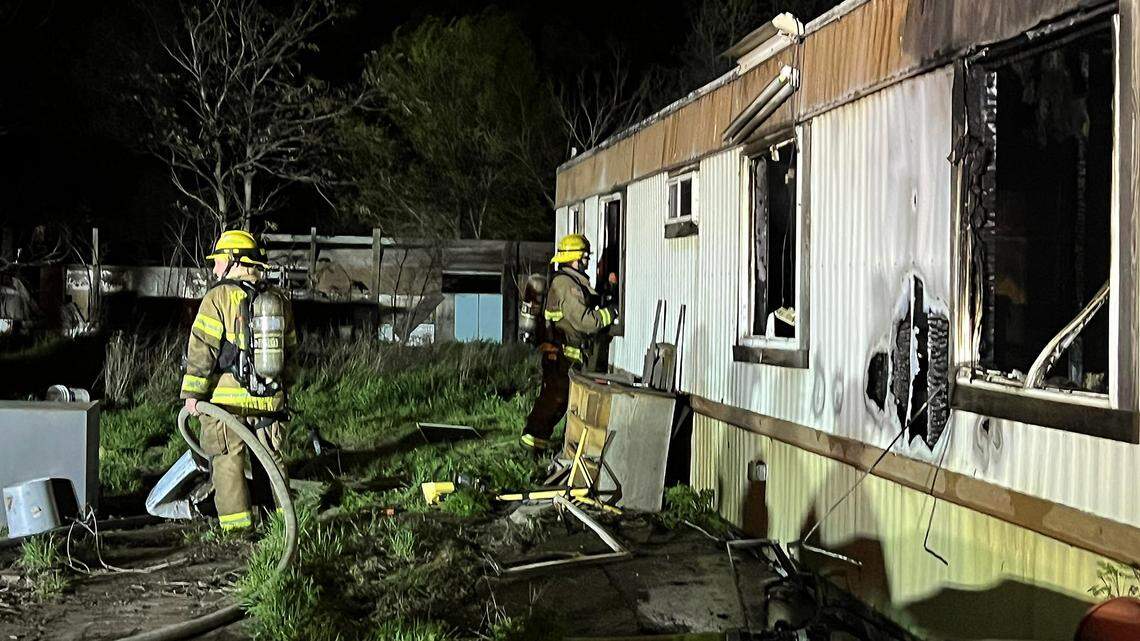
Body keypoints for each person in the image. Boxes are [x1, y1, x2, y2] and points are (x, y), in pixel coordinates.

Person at [180, 230, 297, 532]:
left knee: (227, 462)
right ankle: (281, 527)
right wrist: (281, 389)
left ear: (233, 260)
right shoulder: (278, 300)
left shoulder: (218, 297)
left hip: (226, 403)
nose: (215, 269)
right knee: (271, 463)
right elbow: (292, 354)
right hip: (269, 399)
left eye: (218, 261)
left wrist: (193, 393)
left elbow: (202, 348)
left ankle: (237, 534)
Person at [520, 234, 618, 453]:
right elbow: (584, 321)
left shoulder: (570, 282)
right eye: (584, 257)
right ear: (575, 259)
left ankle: (537, 444)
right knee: (554, 400)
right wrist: (611, 313)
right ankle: (531, 444)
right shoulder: (566, 284)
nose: (587, 262)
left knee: (559, 401)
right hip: (561, 355)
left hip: (563, 355)